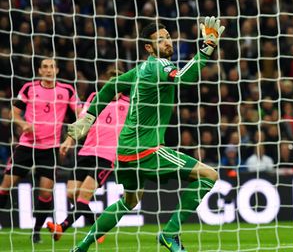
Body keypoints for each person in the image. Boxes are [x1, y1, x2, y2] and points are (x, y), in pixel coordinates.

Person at [67, 17, 225, 252]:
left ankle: (81, 247)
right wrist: (207, 48)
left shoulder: (140, 70)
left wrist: (89, 117)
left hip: (125, 151)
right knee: (209, 175)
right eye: (160, 40)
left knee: (129, 202)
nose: (167, 42)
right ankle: (170, 233)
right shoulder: (159, 65)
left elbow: (111, 86)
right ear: (149, 48)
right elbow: (184, 78)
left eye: (168, 37)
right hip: (147, 149)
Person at [0, 57, 79, 243]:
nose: (49, 70)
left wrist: (69, 139)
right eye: (45, 67)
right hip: (27, 146)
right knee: (5, 185)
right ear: (40, 71)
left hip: (50, 149)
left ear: (57, 70)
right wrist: (23, 124)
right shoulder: (29, 88)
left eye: (52, 67)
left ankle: (36, 232)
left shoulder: (67, 90)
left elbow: (80, 116)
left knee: (45, 193)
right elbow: (14, 112)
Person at [47, 68, 130, 243]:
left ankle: (61, 226)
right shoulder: (94, 98)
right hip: (86, 151)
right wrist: (68, 141)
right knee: (71, 194)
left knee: (83, 197)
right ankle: (97, 228)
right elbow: (81, 122)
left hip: (107, 156)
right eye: (111, 80)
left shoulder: (129, 104)